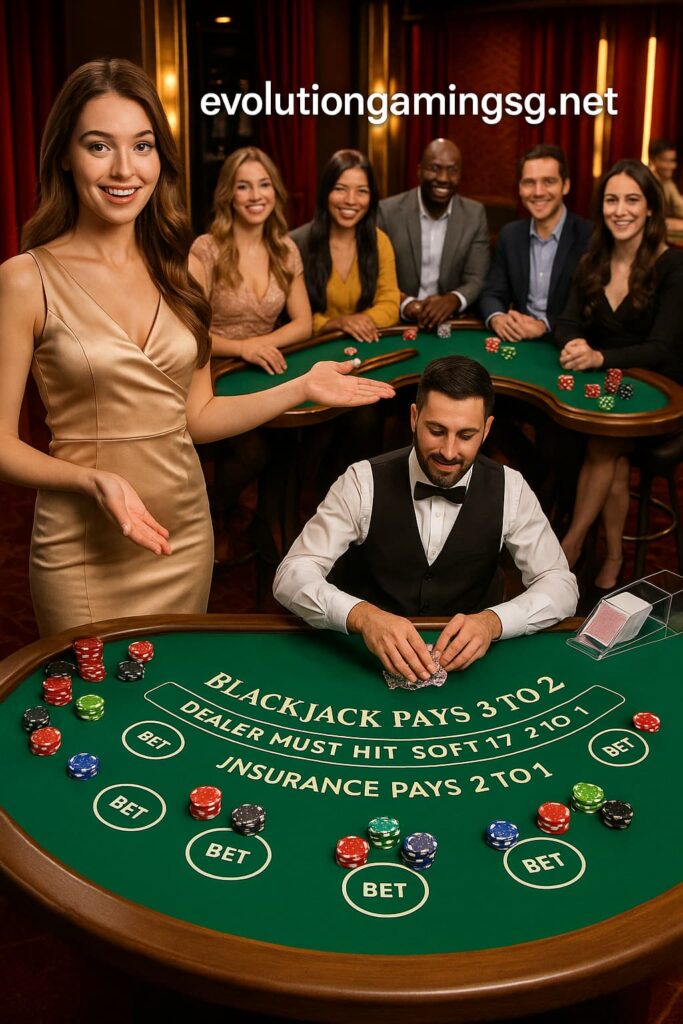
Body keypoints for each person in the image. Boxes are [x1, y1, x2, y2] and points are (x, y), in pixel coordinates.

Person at [0, 59, 395, 636]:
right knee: (93, 711)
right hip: (82, 543)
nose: (123, 168)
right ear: (64, 154)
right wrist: (89, 479)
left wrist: (301, 387)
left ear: (160, 159)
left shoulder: (180, 271)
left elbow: (199, 417)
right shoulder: (24, 278)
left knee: (168, 709)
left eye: (142, 146)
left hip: (183, 531)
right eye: (98, 145)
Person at [273, 355, 577, 680]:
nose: (448, 451)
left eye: (466, 435)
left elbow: (560, 586)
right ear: (414, 418)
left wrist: (492, 622)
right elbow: (291, 575)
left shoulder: (511, 488)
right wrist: (363, 616)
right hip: (365, 661)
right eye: (436, 430)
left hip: (470, 668)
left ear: (487, 430)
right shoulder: (361, 481)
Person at [555, 159, 683, 589]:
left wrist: (598, 358)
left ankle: (568, 547)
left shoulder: (673, 267)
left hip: (661, 394)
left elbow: (662, 349)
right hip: (607, 391)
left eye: (632, 199)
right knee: (611, 451)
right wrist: (574, 344)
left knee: (605, 440)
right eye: (612, 200)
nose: (620, 210)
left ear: (651, 208)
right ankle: (613, 556)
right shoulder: (594, 259)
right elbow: (567, 320)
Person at [190, 146, 311, 375]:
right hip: (213, 372)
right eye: (243, 187)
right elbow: (189, 333)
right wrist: (243, 348)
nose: (256, 196)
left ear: (275, 191)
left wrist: (260, 346)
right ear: (229, 194)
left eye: (264, 184)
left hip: (268, 366)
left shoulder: (286, 249)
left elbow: (304, 325)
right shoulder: (205, 249)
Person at [479, 144, 592, 340]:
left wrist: (544, 325)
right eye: (529, 182)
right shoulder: (510, 235)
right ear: (520, 188)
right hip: (519, 341)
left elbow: (591, 308)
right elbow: (492, 292)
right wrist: (498, 318)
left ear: (565, 185)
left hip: (567, 344)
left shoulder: (589, 236)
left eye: (548, 181)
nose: (538, 192)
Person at [378, 138, 490, 329]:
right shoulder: (387, 211)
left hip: (452, 322)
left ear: (460, 175)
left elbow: (476, 278)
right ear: (419, 170)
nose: (443, 178)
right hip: (396, 321)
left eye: (452, 170)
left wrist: (452, 300)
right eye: (435, 168)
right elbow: (374, 275)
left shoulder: (474, 214)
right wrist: (406, 304)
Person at [291, 149, 399, 341]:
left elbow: (390, 305)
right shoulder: (296, 244)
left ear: (371, 197)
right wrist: (334, 323)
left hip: (365, 343)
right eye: (340, 189)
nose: (350, 200)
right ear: (326, 192)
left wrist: (358, 322)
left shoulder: (380, 241)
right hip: (311, 347)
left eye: (361, 191)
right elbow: (291, 316)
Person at [648, 138, 683, 233]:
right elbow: (651, 221)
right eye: (665, 161)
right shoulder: (647, 182)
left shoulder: (667, 182)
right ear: (652, 161)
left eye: (672, 161)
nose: (671, 166)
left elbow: (680, 208)